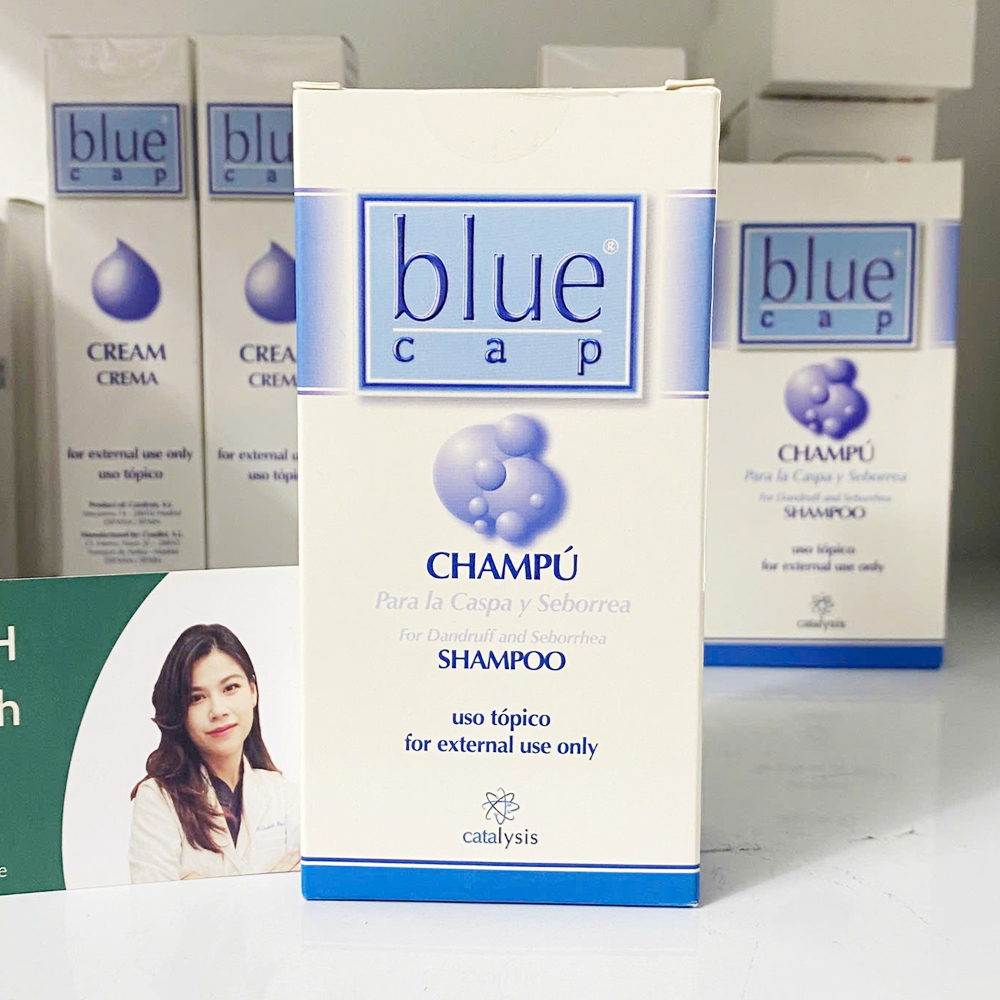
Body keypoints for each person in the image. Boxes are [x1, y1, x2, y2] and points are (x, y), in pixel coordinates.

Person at [129, 623, 299, 882]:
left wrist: (202, 892)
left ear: (253, 691)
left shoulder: (283, 794)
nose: (218, 710)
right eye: (197, 698)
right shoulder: (157, 800)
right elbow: (152, 905)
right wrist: (271, 885)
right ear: (179, 712)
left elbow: (306, 898)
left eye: (230, 688)